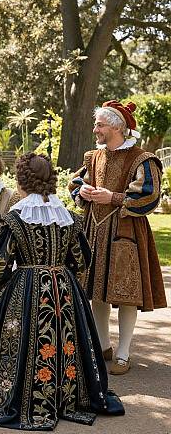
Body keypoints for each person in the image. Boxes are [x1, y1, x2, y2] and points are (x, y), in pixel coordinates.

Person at [0, 153, 124, 430]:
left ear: (22, 181)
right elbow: (82, 262)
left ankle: (7, 387)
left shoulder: (16, 219)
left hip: (25, 289)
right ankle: (69, 391)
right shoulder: (68, 218)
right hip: (64, 292)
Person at [69, 100, 166, 375]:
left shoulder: (141, 158)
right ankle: (103, 346)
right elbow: (77, 182)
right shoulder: (94, 156)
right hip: (95, 230)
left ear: (117, 127)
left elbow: (148, 193)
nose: (95, 129)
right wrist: (84, 192)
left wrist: (114, 197)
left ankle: (123, 354)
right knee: (96, 292)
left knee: (126, 294)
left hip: (126, 232)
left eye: (99, 124)